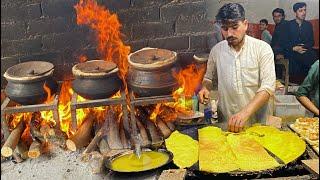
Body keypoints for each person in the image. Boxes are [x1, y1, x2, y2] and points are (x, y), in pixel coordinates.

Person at [198, 3, 276, 133]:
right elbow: (208, 78)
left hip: (258, 123)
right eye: (224, 28)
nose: (229, 33)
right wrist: (205, 88)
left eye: (235, 27)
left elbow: (267, 88)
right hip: (228, 122)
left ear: (245, 24)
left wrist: (244, 114)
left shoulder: (262, 49)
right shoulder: (217, 51)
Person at [287, 2, 317, 83]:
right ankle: (296, 84)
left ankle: (309, 84)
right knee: (295, 60)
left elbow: (312, 42)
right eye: (300, 10)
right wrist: (294, 48)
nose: (304, 13)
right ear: (295, 12)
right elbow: (284, 42)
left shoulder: (308, 25)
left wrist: (304, 46)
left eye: (305, 10)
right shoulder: (289, 25)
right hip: (292, 51)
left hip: (305, 50)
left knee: (313, 57)